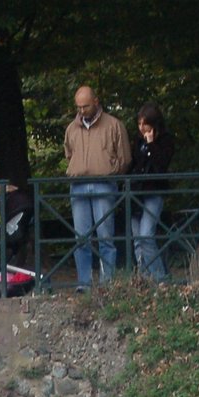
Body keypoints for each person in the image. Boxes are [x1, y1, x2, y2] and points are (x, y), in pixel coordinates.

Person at [64, 85, 131, 290]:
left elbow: (125, 157)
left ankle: (106, 282)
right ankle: (84, 283)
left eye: (85, 106)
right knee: (81, 238)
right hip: (78, 185)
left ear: (95, 101)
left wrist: (110, 172)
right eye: (78, 107)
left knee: (106, 237)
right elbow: (68, 154)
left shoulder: (114, 125)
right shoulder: (71, 128)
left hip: (104, 183)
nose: (81, 110)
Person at [128, 103, 175, 281]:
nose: (141, 128)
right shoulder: (137, 141)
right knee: (138, 239)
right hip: (135, 193)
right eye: (139, 124)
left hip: (153, 191)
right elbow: (133, 165)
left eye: (145, 124)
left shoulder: (165, 140)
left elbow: (161, 164)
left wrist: (151, 144)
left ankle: (159, 277)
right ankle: (144, 276)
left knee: (147, 234)